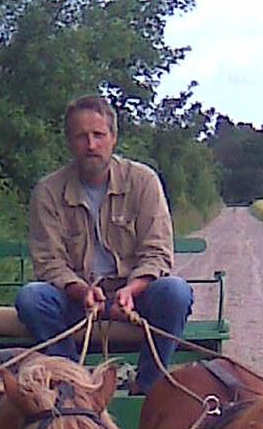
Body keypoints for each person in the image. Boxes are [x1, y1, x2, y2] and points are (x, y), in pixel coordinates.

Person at [15, 95, 193, 395]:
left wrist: (131, 290)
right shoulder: (47, 191)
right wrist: (82, 291)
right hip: (76, 299)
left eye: (98, 135)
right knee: (32, 298)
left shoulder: (143, 181)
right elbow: (49, 263)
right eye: (81, 137)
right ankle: (76, 386)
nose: (91, 145)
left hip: (135, 296)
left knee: (175, 292)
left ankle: (148, 389)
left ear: (113, 137)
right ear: (69, 142)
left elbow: (157, 253)